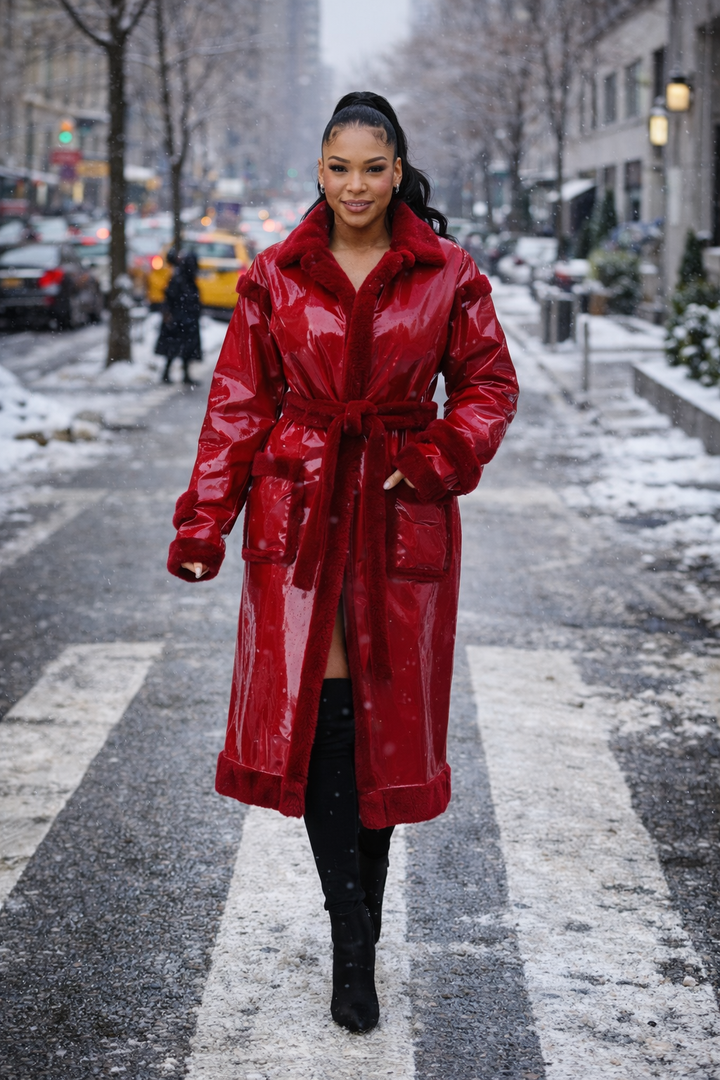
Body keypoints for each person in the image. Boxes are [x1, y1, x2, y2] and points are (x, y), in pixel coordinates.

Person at [167, 91, 518, 1033]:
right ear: (318, 171)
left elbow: (488, 385)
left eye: (372, 167)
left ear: (398, 171)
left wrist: (438, 454)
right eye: (338, 167)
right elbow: (238, 405)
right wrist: (205, 522)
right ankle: (352, 937)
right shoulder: (276, 275)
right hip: (303, 514)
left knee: (383, 730)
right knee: (323, 717)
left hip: (401, 512)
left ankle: (358, 920)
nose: (354, 185)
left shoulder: (448, 273)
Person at [155, 249, 202, 385]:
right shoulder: (180, 279)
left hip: (184, 318)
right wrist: (170, 314)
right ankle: (168, 373)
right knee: (176, 347)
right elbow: (170, 297)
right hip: (179, 318)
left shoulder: (184, 277)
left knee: (183, 347)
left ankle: (181, 374)